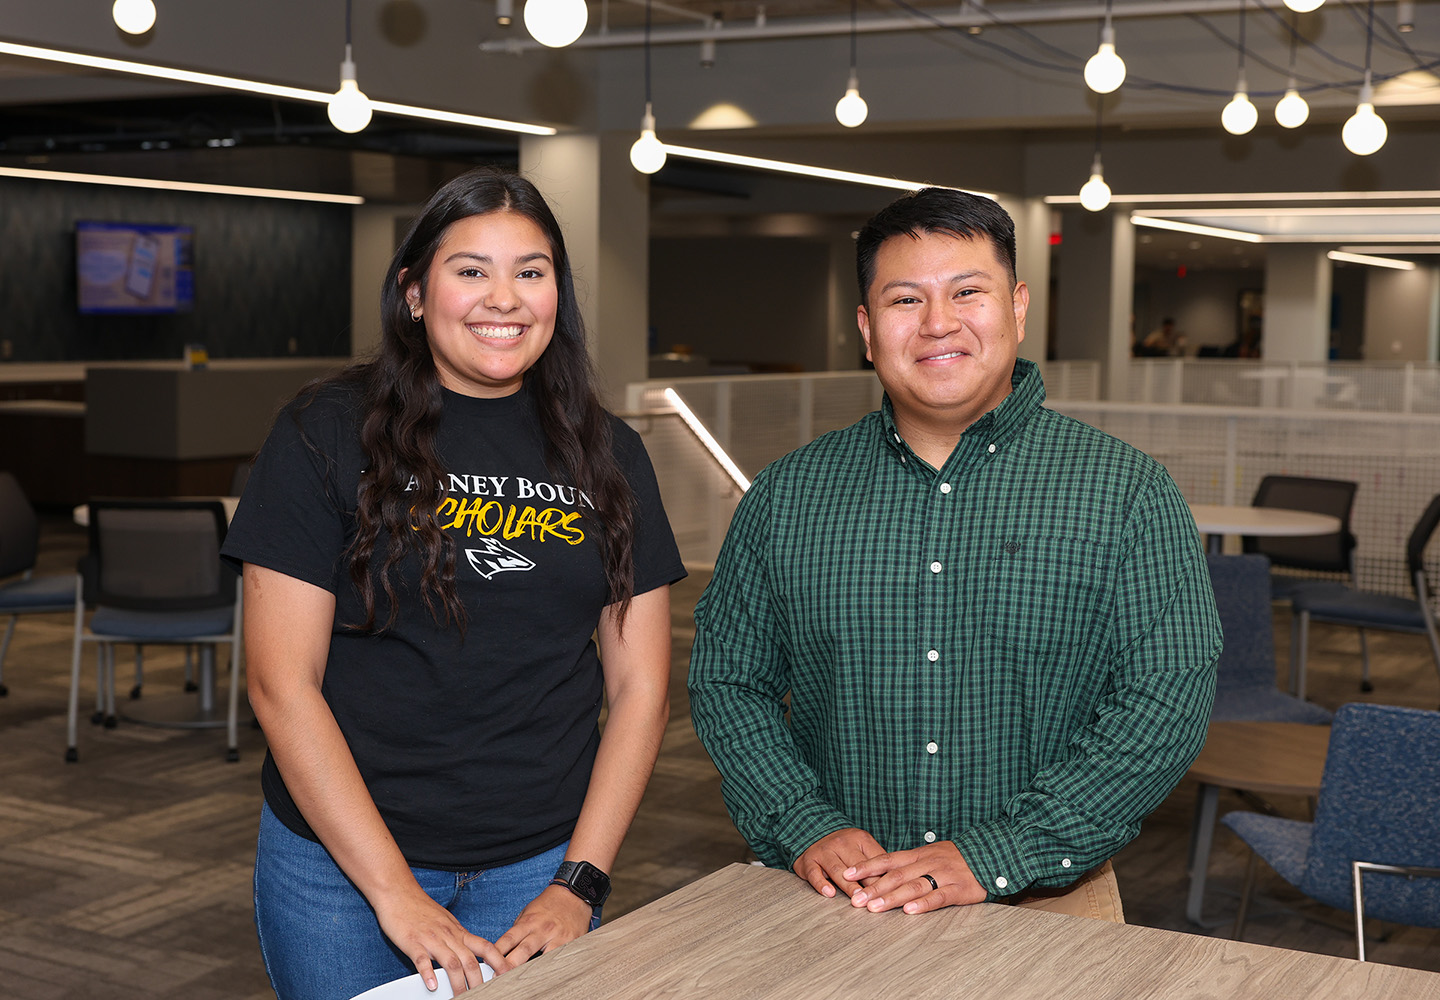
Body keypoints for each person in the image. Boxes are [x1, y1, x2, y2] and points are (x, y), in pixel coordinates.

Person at [689, 187, 1220, 922]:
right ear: (867, 328)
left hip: (1049, 903)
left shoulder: (1126, 493)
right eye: (906, 300)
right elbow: (728, 682)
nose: (939, 323)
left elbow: (1166, 699)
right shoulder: (787, 497)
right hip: (843, 897)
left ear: (1017, 307)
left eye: (969, 292)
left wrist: (1001, 850)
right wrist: (802, 821)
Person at [222, 168, 685, 1000]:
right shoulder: (325, 431)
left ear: (558, 294)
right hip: (342, 865)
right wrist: (394, 892)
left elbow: (641, 683)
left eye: (530, 272)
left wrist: (579, 881)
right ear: (413, 292)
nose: (502, 299)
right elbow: (280, 683)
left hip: (541, 858)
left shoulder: (609, 453)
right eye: (470, 270)